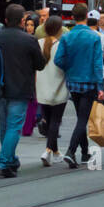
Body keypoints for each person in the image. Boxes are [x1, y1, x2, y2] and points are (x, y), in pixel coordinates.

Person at [0, 4, 46, 178]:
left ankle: (11, 159)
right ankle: (4, 163)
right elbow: (40, 65)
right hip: (20, 88)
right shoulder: (28, 40)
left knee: (5, 126)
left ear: (5, 19)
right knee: (14, 127)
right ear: (22, 21)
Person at [53, 3, 104, 168]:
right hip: (89, 82)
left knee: (80, 117)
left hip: (73, 82)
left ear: (73, 17)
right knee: (83, 119)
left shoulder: (66, 37)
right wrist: (100, 86)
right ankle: (71, 151)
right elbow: (98, 64)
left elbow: (58, 60)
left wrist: (70, 68)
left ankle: (84, 152)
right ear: (86, 17)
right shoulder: (94, 37)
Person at [36, 15, 70, 166]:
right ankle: (49, 150)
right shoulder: (62, 45)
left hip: (42, 87)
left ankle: (55, 152)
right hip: (58, 87)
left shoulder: (38, 43)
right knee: (56, 120)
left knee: (49, 120)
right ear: (59, 30)